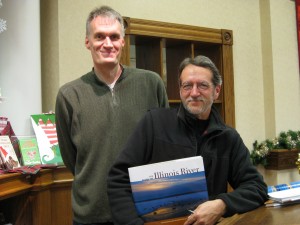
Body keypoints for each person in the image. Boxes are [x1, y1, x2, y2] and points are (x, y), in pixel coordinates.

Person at [107, 55, 268, 225]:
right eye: (187, 86)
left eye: (203, 86)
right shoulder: (154, 123)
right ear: (180, 90)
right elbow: (118, 180)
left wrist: (222, 204)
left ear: (217, 91)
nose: (194, 93)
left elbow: (256, 188)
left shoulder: (228, 138)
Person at [55, 5, 169, 225]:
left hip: (144, 211)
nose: (108, 44)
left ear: (123, 42)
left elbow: (163, 144)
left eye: (114, 37)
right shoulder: (69, 95)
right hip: (91, 215)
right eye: (99, 36)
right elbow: (72, 159)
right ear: (87, 41)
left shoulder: (151, 83)